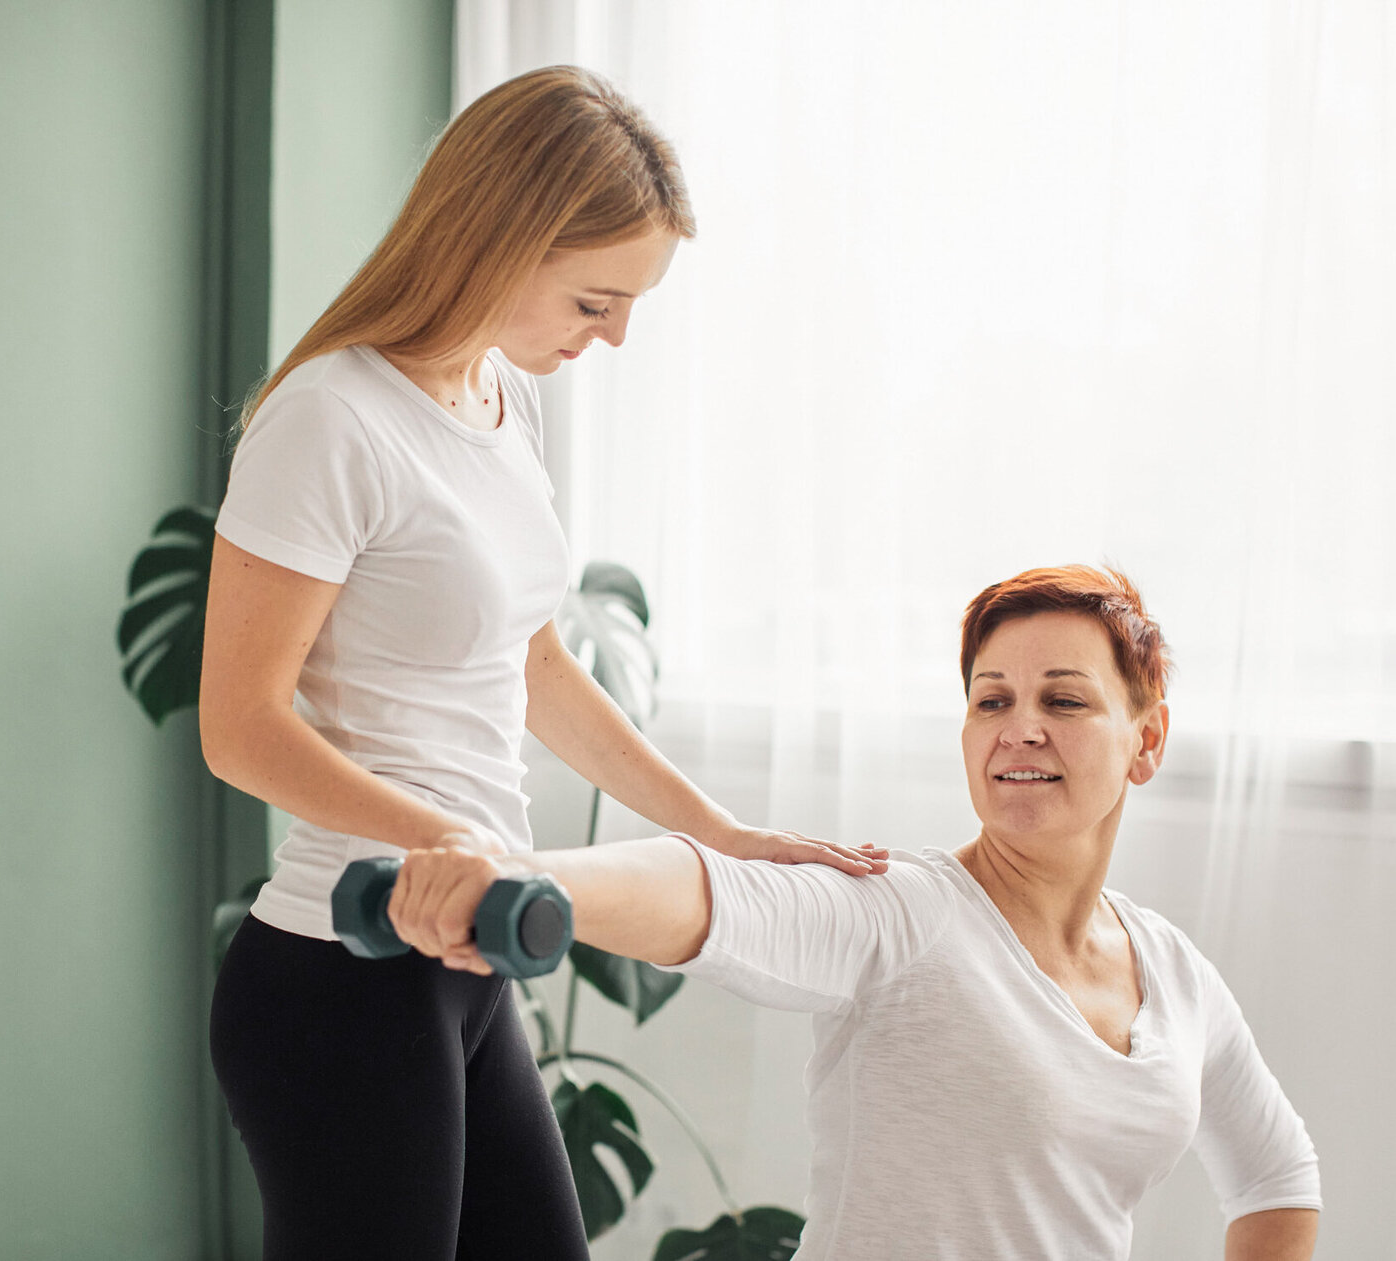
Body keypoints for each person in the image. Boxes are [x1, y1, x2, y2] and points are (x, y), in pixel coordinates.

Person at [200, 65, 886, 1261]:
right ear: (503, 239)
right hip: (344, 969)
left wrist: (720, 831)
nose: (614, 334)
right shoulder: (332, 418)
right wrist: (441, 836)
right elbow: (240, 725)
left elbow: (538, 666)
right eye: (594, 299)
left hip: (462, 956)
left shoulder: (499, 405)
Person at [392, 565, 1323, 1260]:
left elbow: (1276, 1176)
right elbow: (708, 894)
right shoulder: (909, 913)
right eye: (991, 699)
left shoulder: (1175, 974)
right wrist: (517, 876)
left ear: (1146, 739)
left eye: (1064, 700)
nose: (1019, 726)